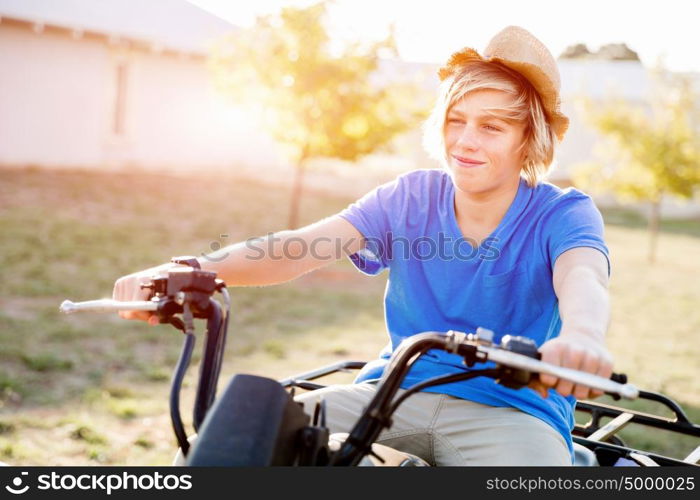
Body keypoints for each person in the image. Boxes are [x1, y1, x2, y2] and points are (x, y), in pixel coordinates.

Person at [113, 26, 613, 466]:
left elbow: (583, 277)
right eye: (456, 120)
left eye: (491, 127)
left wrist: (584, 337)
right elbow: (302, 245)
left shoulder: (562, 213)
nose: (465, 141)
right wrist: (190, 269)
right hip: (393, 394)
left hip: (514, 411)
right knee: (222, 446)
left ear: (530, 138)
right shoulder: (410, 196)